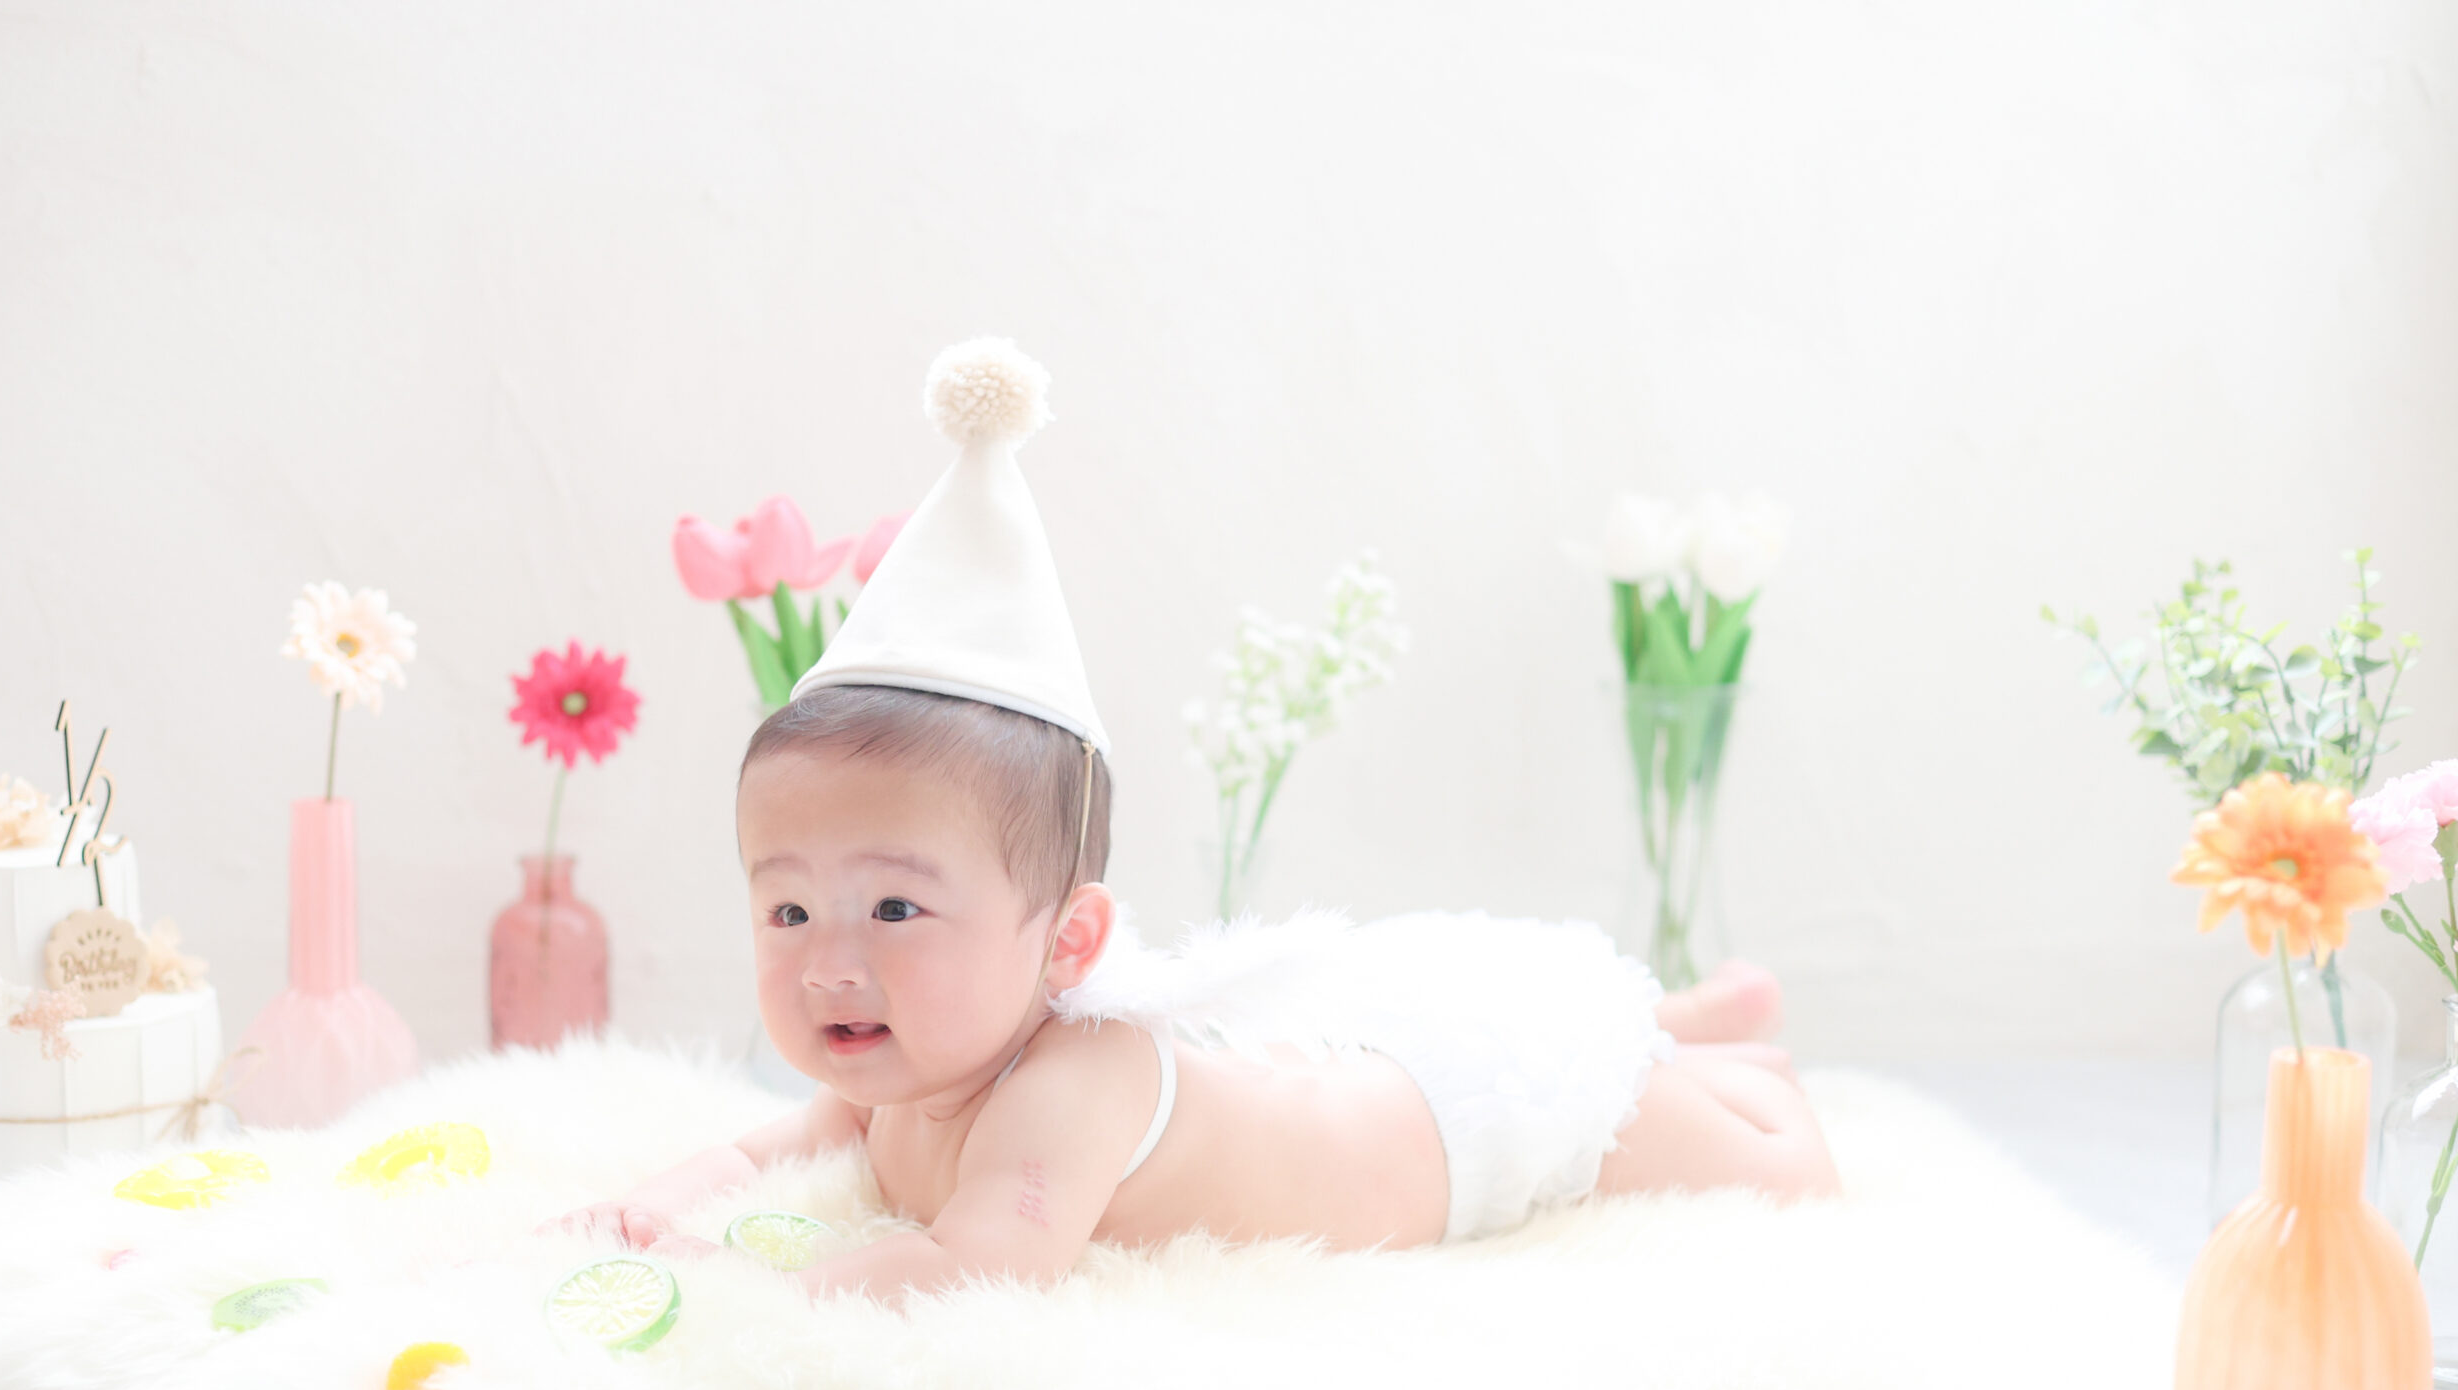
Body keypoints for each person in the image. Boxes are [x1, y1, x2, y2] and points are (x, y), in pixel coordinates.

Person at [548, 341, 1837, 1301]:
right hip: (1339, 1062)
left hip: (1447, 1131)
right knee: (1458, 1011)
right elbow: (756, 1152)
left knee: (1741, 1154)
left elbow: (976, 1266)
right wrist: (652, 1209)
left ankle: (1733, 1074)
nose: (829, 961)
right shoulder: (899, 1074)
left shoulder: (1068, 1084)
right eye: (787, 908)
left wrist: (749, 1292)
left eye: (893, 906)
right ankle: (1693, 1019)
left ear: (1067, 941)